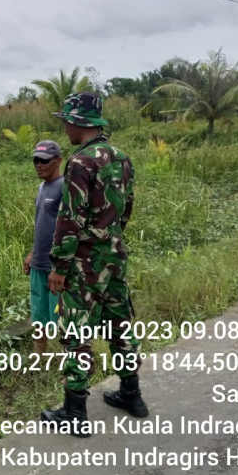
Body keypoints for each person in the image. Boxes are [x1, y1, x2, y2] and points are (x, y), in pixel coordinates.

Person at [40, 92, 148, 437]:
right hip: (114, 258)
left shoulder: (80, 162)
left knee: (77, 332)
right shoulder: (123, 158)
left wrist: (59, 266)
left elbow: (70, 218)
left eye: (66, 122)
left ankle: (74, 412)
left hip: (84, 264)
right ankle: (132, 394)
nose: (64, 129)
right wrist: (109, 238)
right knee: (120, 325)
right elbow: (125, 208)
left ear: (77, 122)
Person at [23, 140, 63, 355]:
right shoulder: (41, 187)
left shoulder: (65, 187)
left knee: (62, 314)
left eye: (45, 161)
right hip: (39, 263)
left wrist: (60, 265)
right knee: (38, 313)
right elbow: (42, 224)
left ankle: (72, 362)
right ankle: (39, 355)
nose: (39, 165)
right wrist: (32, 253)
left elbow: (67, 229)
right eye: (36, 160)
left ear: (58, 161)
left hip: (56, 266)